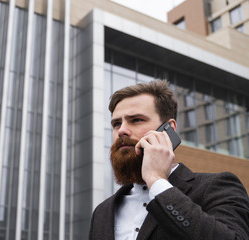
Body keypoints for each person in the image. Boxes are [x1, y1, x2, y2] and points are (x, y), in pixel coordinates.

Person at [89, 80, 249, 240]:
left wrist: (157, 181)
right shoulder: (102, 211)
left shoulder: (217, 187)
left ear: (169, 129)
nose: (121, 130)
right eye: (116, 123)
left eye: (136, 120)